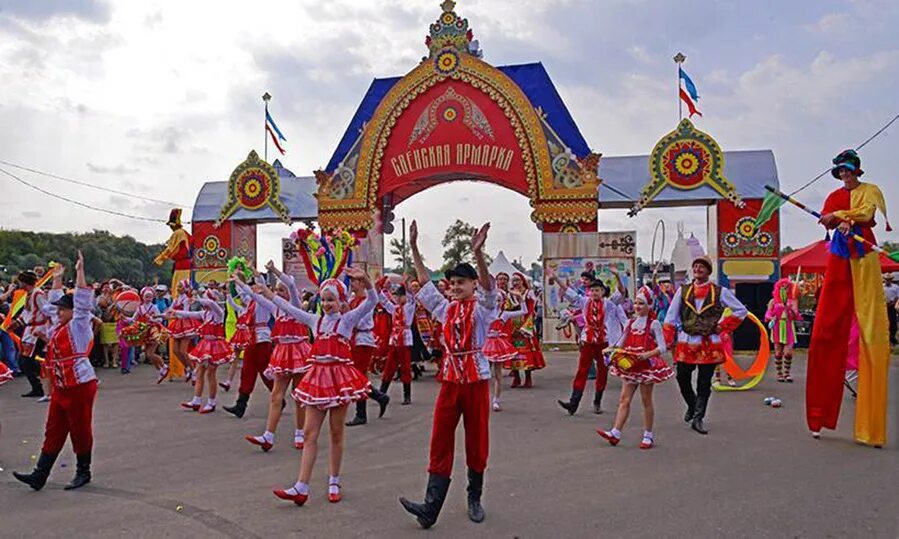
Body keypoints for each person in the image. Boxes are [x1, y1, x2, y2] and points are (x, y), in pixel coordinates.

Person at [399, 221, 495, 529]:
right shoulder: (445, 309)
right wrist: (413, 247)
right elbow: (425, 283)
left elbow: (490, 287)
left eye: (461, 283)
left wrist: (478, 253)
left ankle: (474, 497)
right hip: (450, 382)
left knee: (476, 442)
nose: (455, 286)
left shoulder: (483, 309)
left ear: (472, 286)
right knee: (440, 439)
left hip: (477, 383)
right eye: (452, 282)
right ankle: (431, 506)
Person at [269, 268, 374, 505]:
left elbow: (372, 301)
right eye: (324, 299)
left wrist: (367, 281)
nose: (327, 304)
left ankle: (334, 480)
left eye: (331, 299)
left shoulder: (347, 320)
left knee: (336, 433)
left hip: (338, 382)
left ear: (340, 301)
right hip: (317, 381)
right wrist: (266, 292)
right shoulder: (315, 321)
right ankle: (301, 486)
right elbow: (289, 308)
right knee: (309, 433)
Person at [807, 149, 891, 447]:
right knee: (825, 331)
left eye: (847, 169)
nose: (844, 174)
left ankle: (872, 429)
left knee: (872, 330)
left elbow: (867, 214)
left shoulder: (870, 191)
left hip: (865, 258)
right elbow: (827, 221)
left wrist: (843, 217)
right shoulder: (832, 196)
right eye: (840, 171)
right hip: (840, 259)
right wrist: (835, 220)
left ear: (856, 170)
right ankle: (818, 417)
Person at [13, 252, 97, 491]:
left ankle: (84, 471)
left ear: (74, 311)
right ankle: (40, 474)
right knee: (53, 429)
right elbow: (52, 306)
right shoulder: (61, 326)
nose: (58, 312)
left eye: (63, 310)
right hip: (62, 385)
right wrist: (57, 279)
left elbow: (81, 300)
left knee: (80, 429)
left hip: (79, 385)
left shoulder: (80, 324)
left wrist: (80, 271)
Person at [663, 256, 747, 435]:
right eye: (696, 266)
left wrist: (722, 327)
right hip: (687, 341)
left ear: (708, 271)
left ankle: (698, 418)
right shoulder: (683, 291)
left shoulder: (719, 291)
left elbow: (741, 310)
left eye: (702, 267)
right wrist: (668, 339)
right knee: (682, 378)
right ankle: (693, 406)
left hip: (709, 342)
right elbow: (671, 315)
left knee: (704, 382)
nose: (698, 269)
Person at [235, 263, 311, 452]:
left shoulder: (294, 305)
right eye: (277, 290)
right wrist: (237, 281)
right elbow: (254, 296)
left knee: (298, 395)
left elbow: (292, 287)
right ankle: (268, 436)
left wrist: (275, 271)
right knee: (276, 395)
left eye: (281, 290)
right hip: (283, 353)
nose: (279, 293)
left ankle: (300, 433)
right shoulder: (275, 309)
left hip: (299, 352)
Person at [597, 286, 674, 449]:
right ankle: (615, 432)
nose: (638, 307)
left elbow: (663, 347)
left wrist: (647, 355)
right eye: (636, 303)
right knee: (624, 399)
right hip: (630, 365)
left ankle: (648, 435)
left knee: (646, 401)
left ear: (649, 305)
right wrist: (611, 350)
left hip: (645, 366)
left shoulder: (654, 324)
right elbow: (620, 342)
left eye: (642, 303)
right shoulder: (630, 322)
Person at [223, 270, 276, 419]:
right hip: (253, 339)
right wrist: (235, 282)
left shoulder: (263, 301)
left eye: (255, 285)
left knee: (263, 372)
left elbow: (252, 290)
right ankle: (241, 405)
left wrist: (257, 278)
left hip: (262, 338)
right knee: (249, 371)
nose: (252, 287)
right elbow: (242, 294)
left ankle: (277, 397)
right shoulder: (251, 302)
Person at [168, 289, 232, 413]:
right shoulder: (205, 314)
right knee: (199, 372)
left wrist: (197, 298)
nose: (204, 304)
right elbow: (189, 314)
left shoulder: (219, 313)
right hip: (205, 344)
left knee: (211, 374)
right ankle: (196, 400)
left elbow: (213, 304)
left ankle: (211, 403)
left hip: (215, 346)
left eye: (206, 300)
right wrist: (174, 311)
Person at [345, 272, 391, 427]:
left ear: (363, 283)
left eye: (355, 281)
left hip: (363, 341)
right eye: (351, 280)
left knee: (357, 376)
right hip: (354, 341)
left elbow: (359, 322)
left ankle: (362, 413)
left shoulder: (366, 301)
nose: (352, 283)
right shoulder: (352, 300)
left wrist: (347, 314)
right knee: (358, 376)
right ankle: (379, 397)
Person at [482, 286, 526, 411]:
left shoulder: (504, 314)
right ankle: (481, 399)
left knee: (497, 374)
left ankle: (496, 400)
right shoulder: (484, 312)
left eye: (499, 299)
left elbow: (524, 311)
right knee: (483, 373)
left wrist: (520, 297)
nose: (497, 302)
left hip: (498, 345)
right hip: (485, 344)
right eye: (495, 299)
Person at [377, 281, 417, 405]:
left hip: (404, 340)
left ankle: (407, 396)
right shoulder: (394, 309)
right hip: (394, 340)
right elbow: (384, 301)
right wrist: (378, 288)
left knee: (405, 367)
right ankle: (382, 393)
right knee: (389, 366)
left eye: (400, 296)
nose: (398, 298)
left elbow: (411, 297)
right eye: (396, 296)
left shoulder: (409, 307)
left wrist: (406, 285)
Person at [120, 287, 170, 383]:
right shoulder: (140, 308)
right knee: (148, 354)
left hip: (154, 331)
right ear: (142, 297)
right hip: (144, 331)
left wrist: (152, 319)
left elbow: (160, 319)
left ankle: (164, 366)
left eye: (150, 297)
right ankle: (161, 370)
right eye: (146, 297)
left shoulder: (154, 307)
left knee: (150, 353)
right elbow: (134, 319)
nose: (148, 299)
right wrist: (125, 318)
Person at [505, 272, 544, 388]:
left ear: (523, 281)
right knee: (513, 352)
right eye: (514, 281)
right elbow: (507, 309)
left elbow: (531, 310)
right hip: (512, 326)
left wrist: (526, 327)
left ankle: (528, 378)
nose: (516, 283)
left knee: (526, 352)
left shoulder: (528, 293)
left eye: (518, 280)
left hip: (525, 326)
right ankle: (516, 378)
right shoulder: (510, 295)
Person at [17, 270, 49, 397]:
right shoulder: (29, 294)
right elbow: (27, 312)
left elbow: (46, 311)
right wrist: (17, 322)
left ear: (24, 282)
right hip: (30, 331)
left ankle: (41, 384)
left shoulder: (38, 294)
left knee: (26, 361)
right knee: (25, 361)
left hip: (37, 331)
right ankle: (38, 385)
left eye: (20, 281)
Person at [765, 277, 802, 383]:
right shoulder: (773, 301)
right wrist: (771, 317)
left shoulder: (793, 301)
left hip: (788, 326)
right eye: (782, 287)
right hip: (777, 326)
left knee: (788, 353)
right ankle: (779, 374)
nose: (784, 290)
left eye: (786, 288)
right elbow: (768, 314)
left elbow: (796, 315)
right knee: (778, 352)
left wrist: (790, 309)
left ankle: (787, 373)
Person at [168, 279, 201, 383]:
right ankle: (187, 368)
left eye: (180, 286)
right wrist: (157, 316)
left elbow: (185, 312)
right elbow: (169, 311)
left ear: (186, 288)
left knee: (183, 350)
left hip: (186, 324)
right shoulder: (176, 299)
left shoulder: (186, 299)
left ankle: (193, 370)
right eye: (178, 286)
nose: (178, 288)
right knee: (175, 351)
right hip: (177, 324)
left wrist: (175, 313)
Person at [883, 273, 899, 346]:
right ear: (885, 280)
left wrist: (893, 303)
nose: (887, 281)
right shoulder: (882, 287)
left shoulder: (895, 287)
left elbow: (897, 296)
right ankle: (887, 337)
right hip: (884, 306)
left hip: (892, 305)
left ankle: (892, 335)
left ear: (891, 280)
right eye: (886, 279)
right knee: (885, 321)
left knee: (893, 321)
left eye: (889, 279)